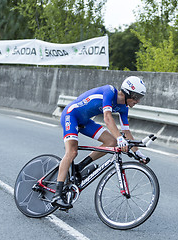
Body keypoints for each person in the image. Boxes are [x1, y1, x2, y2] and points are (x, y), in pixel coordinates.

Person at [52, 76, 149, 209]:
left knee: (111, 142)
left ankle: (80, 167)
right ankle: (57, 194)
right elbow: (107, 117)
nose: (138, 101)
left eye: (140, 97)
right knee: (72, 152)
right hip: (71, 115)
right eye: (136, 97)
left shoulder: (124, 108)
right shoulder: (109, 91)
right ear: (128, 93)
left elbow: (127, 132)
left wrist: (139, 153)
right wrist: (121, 139)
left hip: (85, 122)